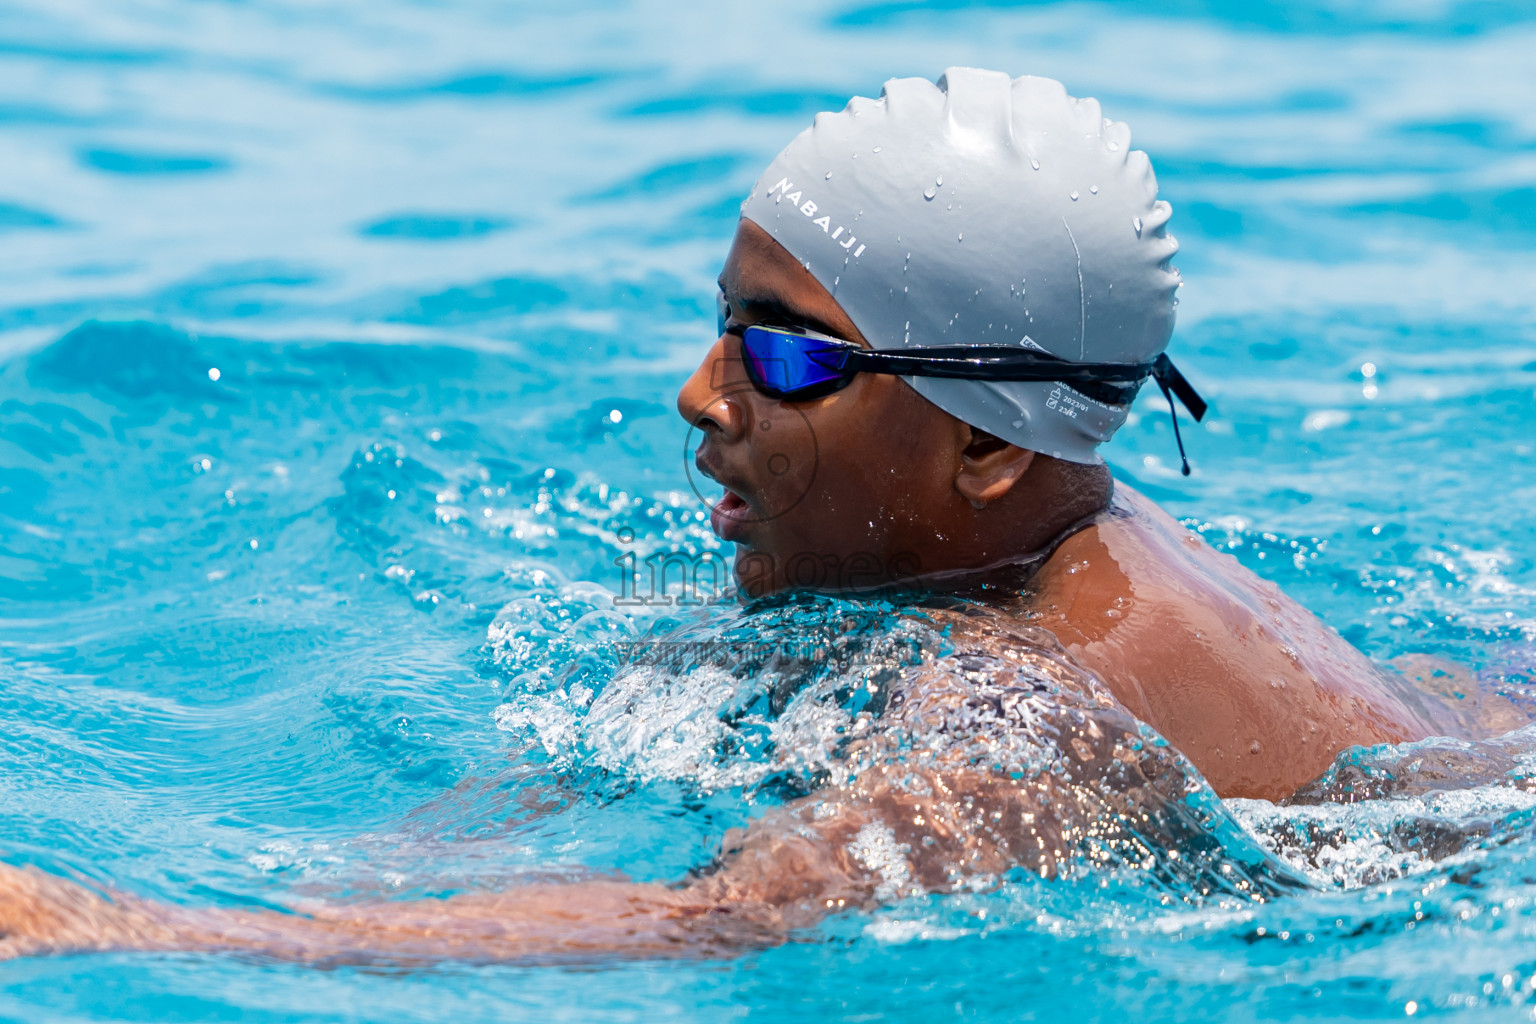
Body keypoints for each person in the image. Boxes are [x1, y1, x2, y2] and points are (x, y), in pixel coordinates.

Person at [0, 67, 1512, 964]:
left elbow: (710, 919)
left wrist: (137, 928)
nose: (699, 393)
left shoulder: (1033, 711)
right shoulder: (999, 567)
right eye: (726, 324)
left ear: (988, 448)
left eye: (783, 352)